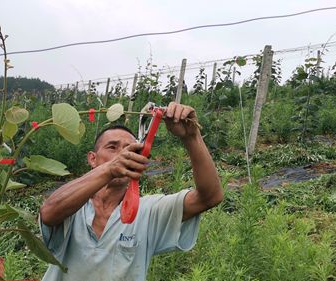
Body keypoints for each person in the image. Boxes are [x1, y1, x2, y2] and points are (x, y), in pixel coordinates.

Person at [39, 102, 223, 281]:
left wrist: (192, 137)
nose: (123, 154)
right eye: (112, 147)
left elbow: (210, 197)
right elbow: (49, 212)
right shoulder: (74, 204)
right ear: (92, 159)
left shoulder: (148, 211)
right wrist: (110, 169)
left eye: (130, 149)